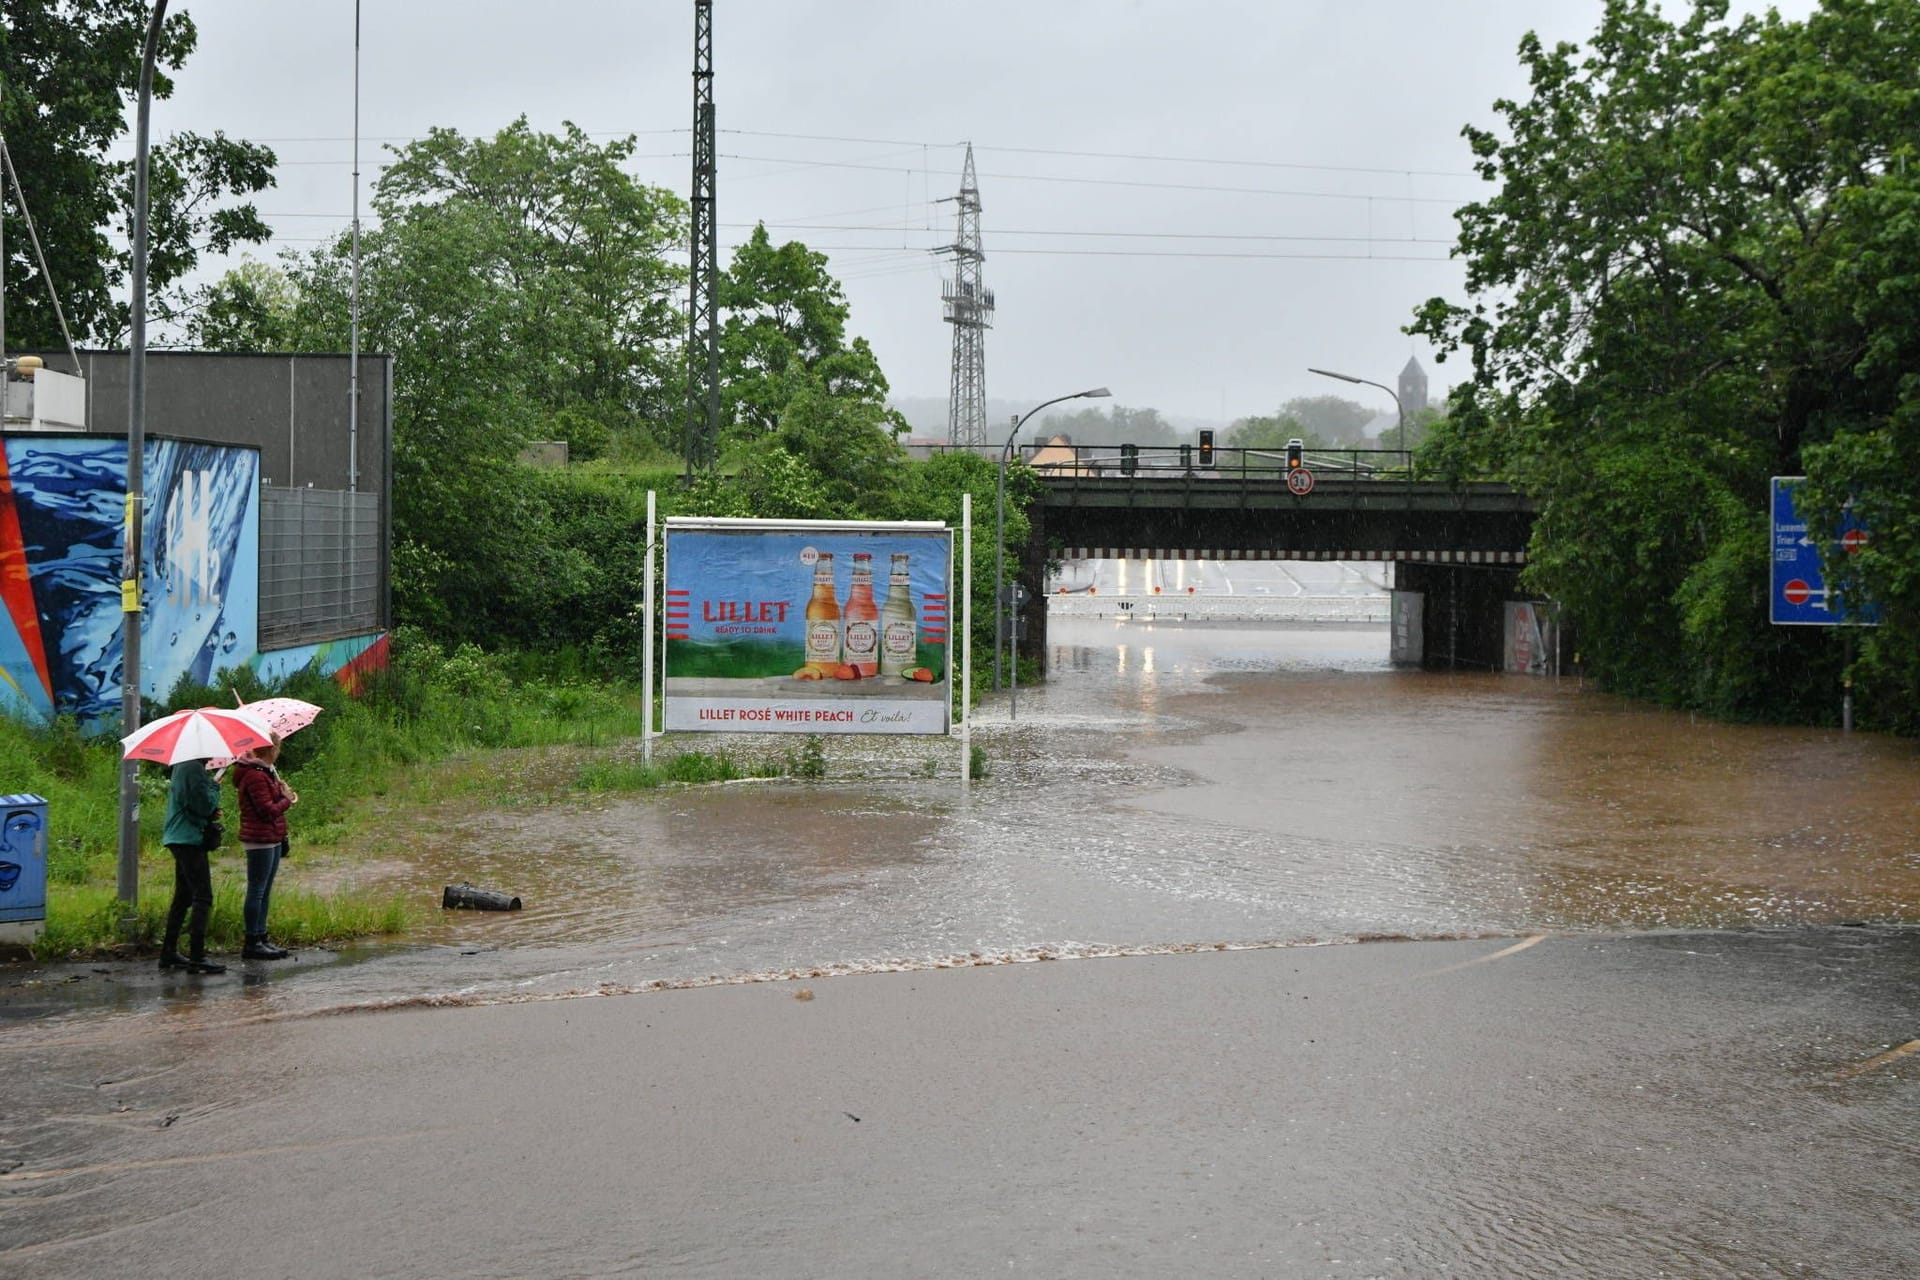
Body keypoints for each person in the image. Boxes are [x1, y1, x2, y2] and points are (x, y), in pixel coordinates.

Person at [232, 736, 298, 960]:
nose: (279, 751)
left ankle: (261, 936)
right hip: (260, 839)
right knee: (257, 890)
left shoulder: (264, 773)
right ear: (272, 749)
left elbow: (271, 803)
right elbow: (267, 810)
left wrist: (282, 791)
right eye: (278, 747)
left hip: (271, 837)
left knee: (265, 890)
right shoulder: (255, 776)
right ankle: (252, 940)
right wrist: (286, 800)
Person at [159, 757, 226, 975]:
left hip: (179, 836)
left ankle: (168, 952)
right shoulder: (193, 768)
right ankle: (198, 956)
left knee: (184, 896)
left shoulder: (184, 766)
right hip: (188, 839)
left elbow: (193, 802)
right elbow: (204, 804)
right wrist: (215, 787)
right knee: (202, 896)